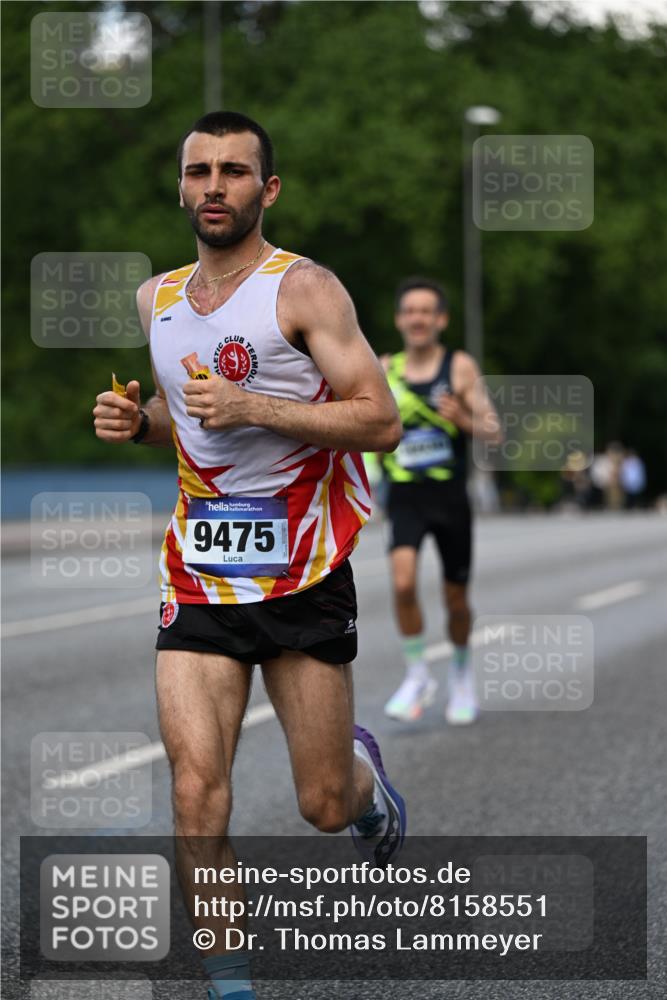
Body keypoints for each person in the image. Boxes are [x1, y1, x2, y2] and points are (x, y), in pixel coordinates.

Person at [93, 111, 406, 1000]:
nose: (213, 186)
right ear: (181, 187)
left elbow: (378, 420)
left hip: (302, 570)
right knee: (197, 791)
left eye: (233, 171)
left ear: (266, 189)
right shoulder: (155, 299)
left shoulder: (303, 290)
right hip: (198, 571)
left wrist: (253, 406)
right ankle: (230, 983)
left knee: (322, 804)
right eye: (199, 171)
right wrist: (139, 424)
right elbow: (192, 421)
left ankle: (366, 792)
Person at [380, 278, 501, 726]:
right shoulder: (385, 369)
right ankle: (417, 675)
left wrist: (462, 417)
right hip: (404, 496)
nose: (418, 318)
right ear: (399, 319)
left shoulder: (459, 367)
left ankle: (462, 674)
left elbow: (494, 431)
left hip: (449, 498)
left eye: (426, 311)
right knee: (403, 584)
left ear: (441, 320)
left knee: (456, 600)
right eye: (410, 311)